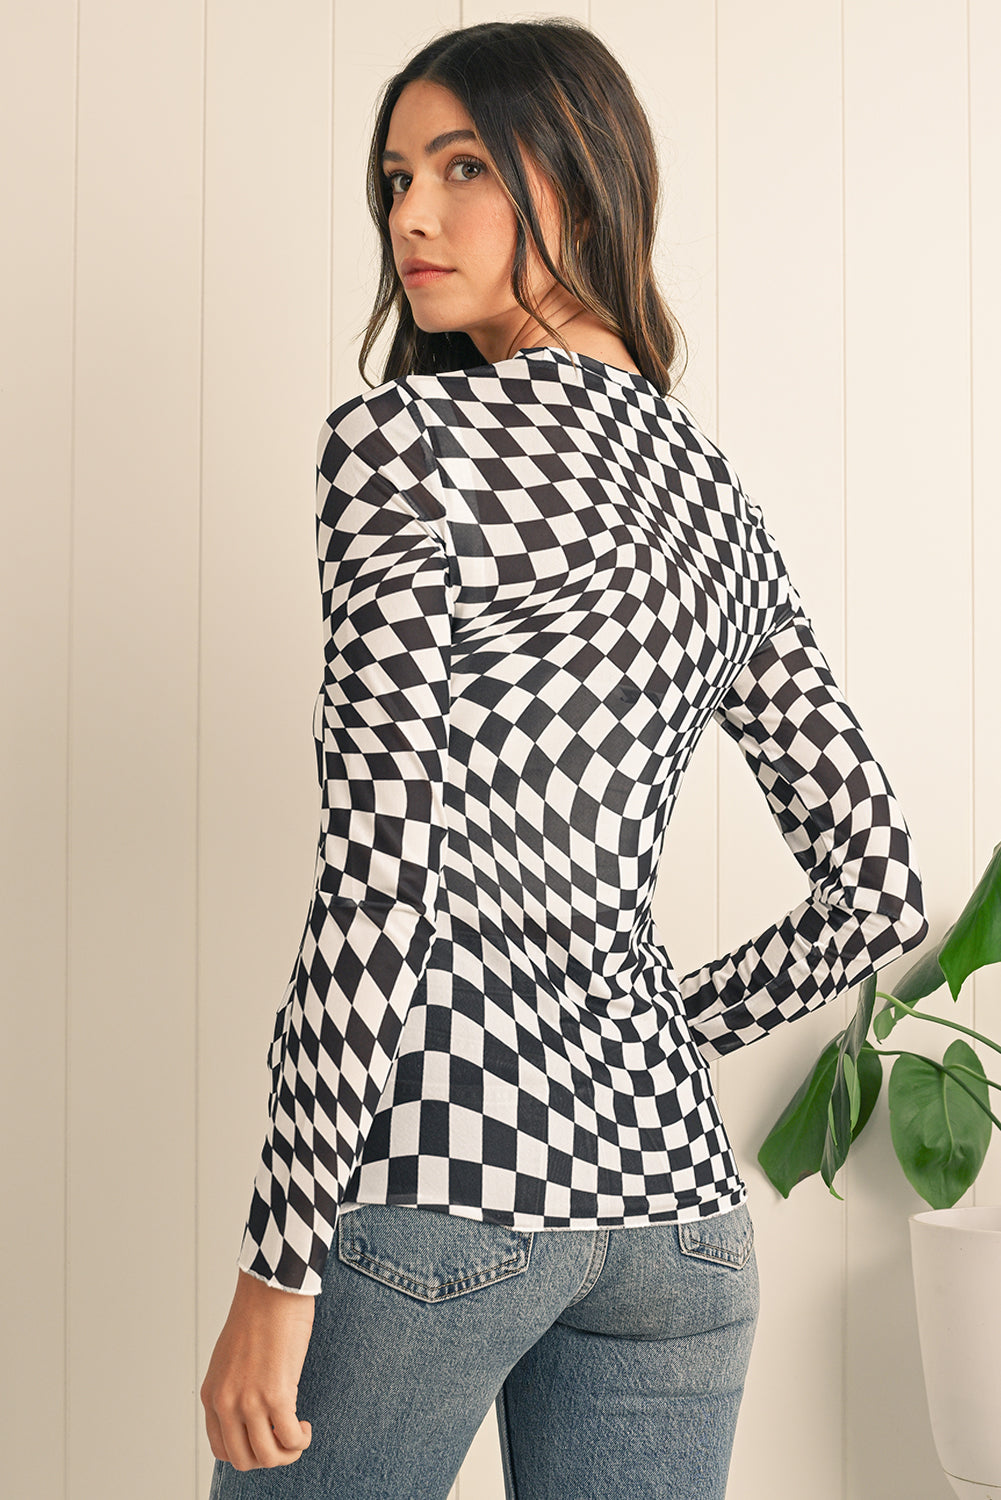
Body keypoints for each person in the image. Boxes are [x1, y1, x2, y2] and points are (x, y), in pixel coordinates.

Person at [200, 18, 928, 1499]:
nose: (411, 214)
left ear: (583, 179)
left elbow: (381, 873)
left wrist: (279, 1264)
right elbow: (881, 889)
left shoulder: (406, 446)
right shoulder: (710, 496)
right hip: (676, 1216)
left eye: (464, 166)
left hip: (444, 1177)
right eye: (396, 177)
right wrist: (655, 1021)